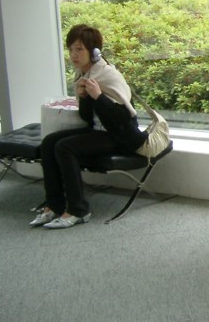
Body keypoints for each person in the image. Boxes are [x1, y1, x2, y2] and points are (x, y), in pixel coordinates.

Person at [29, 24, 148, 229]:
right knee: (49, 142)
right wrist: (84, 97)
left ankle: (78, 210)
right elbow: (87, 118)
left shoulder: (107, 74)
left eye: (79, 49)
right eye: (71, 49)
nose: (73, 55)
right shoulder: (85, 74)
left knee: (64, 147)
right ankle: (54, 204)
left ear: (94, 52)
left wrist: (99, 96)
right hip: (99, 132)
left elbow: (123, 118)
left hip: (120, 136)